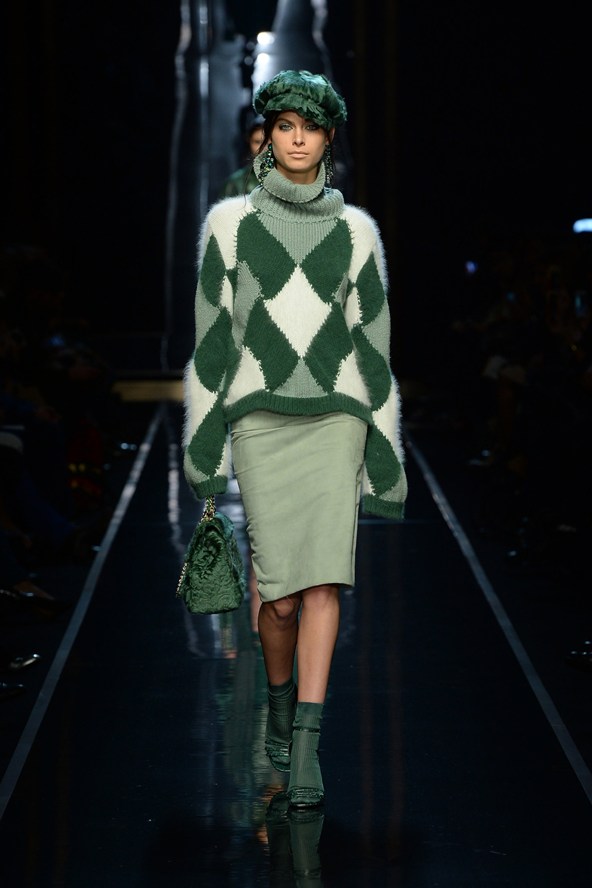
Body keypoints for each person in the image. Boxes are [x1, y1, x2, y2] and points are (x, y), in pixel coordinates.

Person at [183, 69, 407, 808]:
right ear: (269, 135)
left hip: (337, 419)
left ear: (329, 136)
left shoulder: (357, 232)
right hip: (260, 422)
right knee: (277, 598)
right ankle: (278, 704)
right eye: (286, 125)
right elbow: (213, 341)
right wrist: (204, 444)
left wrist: (382, 448)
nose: (298, 138)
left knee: (324, 583)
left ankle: (306, 745)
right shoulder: (228, 225)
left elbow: (372, 345)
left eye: (311, 127)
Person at [218, 115, 265, 197]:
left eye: (268, 142)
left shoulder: (287, 179)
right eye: (257, 142)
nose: (263, 148)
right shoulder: (235, 183)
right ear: (249, 142)